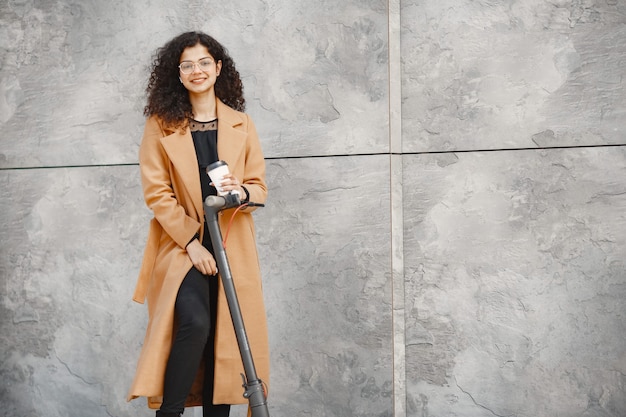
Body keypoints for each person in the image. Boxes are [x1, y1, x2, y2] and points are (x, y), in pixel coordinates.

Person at [126, 31, 270, 417]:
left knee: (224, 342)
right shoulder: (160, 126)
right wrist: (192, 243)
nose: (197, 70)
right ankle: (169, 413)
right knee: (195, 324)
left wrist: (241, 191)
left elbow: (259, 188)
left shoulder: (241, 124)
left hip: (231, 247)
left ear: (218, 68)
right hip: (182, 247)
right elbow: (158, 194)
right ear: (178, 74)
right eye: (187, 64)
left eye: (204, 62)